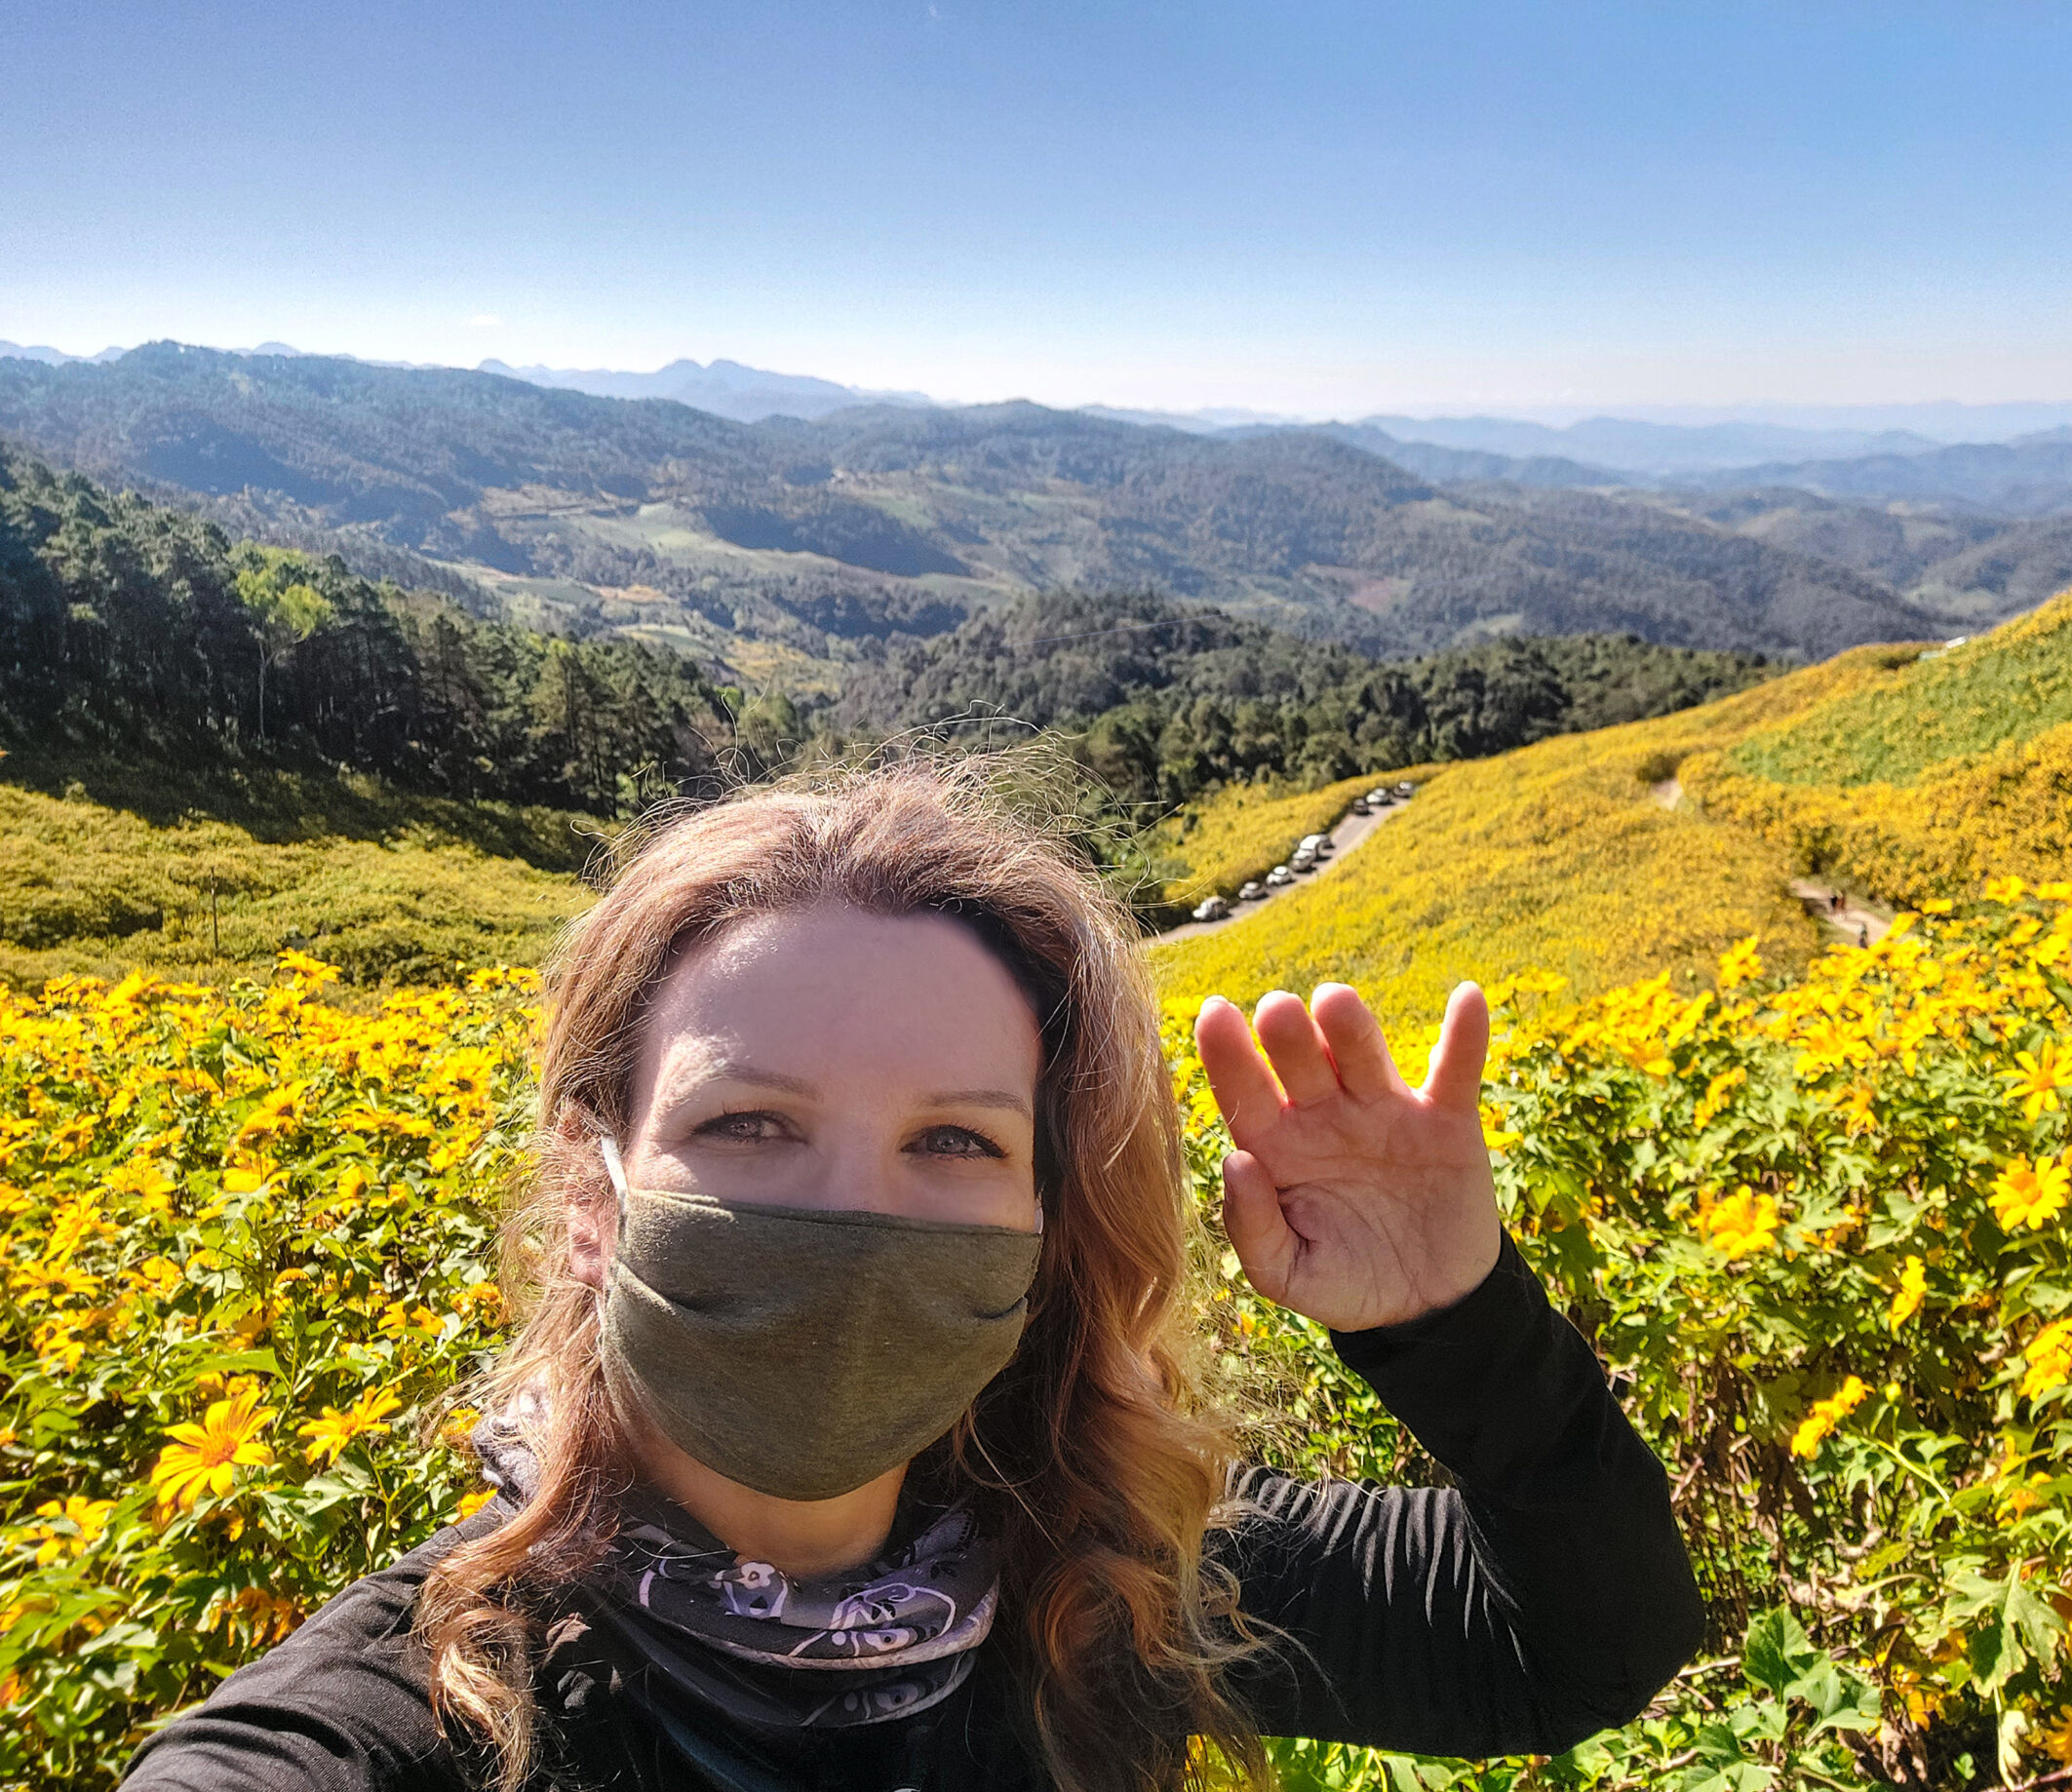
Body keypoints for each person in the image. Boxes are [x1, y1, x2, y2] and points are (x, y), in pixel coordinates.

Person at [122, 762, 1706, 1792]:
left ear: (1044, 1214)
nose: (850, 1216)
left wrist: (1456, 1324)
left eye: (951, 1143)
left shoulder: (1120, 1565)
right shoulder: (423, 1714)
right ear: (590, 1189)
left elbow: (1574, 1638)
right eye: (750, 1125)